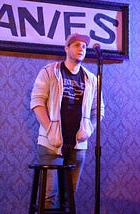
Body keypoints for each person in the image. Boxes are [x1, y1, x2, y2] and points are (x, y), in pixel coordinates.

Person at [30, 33, 105, 208]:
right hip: (50, 144)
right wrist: (50, 130)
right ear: (66, 48)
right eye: (77, 45)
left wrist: (90, 129)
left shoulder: (91, 79)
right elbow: (37, 102)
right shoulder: (49, 71)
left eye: (84, 47)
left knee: (69, 198)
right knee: (49, 198)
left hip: (78, 146)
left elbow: (99, 110)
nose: (81, 49)